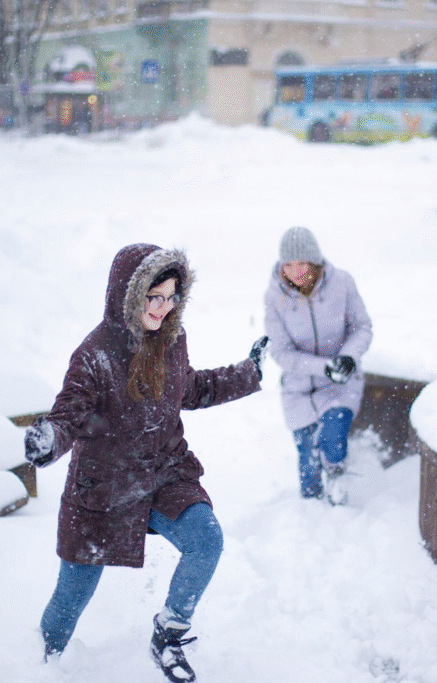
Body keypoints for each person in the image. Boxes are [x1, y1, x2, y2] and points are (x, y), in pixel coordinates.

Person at [24, 243, 269, 682]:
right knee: (73, 595)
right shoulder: (94, 353)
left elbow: (190, 389)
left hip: (164, 473)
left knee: (206, 540)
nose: (162, 308)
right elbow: (69, 414)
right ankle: (34, 664)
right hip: (104, 488)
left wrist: (247, 373)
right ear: (129, 294)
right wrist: (49, 440)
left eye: (171, 296)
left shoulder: (172, 340)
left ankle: (169, 634)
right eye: (153, 297)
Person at [263, 227, 373, 505]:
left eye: (302, 263)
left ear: (314, 261)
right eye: (288, 264)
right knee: (308, 465)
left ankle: (338, 478)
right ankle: (311, 514)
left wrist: (348, 357)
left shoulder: (342, 283)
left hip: (340, 383)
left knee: (333, 439)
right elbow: (282, 352)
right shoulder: (275, 297)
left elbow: (361, 327)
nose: (295, 271)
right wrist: (323, 367)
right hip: (298, 389)